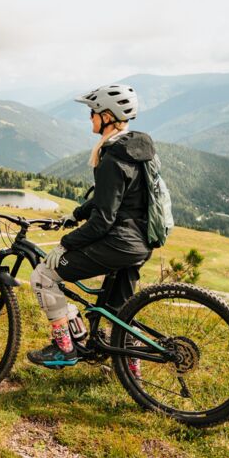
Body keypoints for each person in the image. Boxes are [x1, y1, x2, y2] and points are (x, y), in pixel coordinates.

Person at [27, 84, 154, 373]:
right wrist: (76, 214)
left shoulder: (112, 158)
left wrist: (66, 243)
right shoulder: (134, 150)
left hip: (119, 242)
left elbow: (103, 221)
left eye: (93, 112)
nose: (90, 119)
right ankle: (130, 371)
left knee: (44, 274)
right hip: (140, 242)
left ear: (107, 116)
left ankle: (65, 349)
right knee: (120, 311)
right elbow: (108, 197)